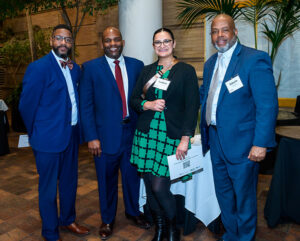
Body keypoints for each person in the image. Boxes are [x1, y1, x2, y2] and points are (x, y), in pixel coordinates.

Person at [200, 14, 278, 241]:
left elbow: (267, 105)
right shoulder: (210, 63)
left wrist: (260, 143)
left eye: (225, 30)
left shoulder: (255, 60)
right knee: (224, 195)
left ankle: (245, 238)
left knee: (244, 197)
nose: (220, 35)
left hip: (244, 145)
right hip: (215, 140)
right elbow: (206, 98)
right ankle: (232, 234)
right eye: (215, 31)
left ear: (235, 32)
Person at [19, 24, 90, 241]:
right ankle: (50, 231)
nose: (63, 43)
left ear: (71, 43)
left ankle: (67, 220)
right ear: (51, 41)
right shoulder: (38, 68)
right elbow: (26, 106)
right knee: (48, 189)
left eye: (67, 39)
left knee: (69, 183)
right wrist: (36, 133)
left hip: (71, 136)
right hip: (47, 140)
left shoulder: (75, 68)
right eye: (59, 38)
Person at [79, 26, 150, 240]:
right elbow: (86, 105)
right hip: (104, 136)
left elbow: (143, 98)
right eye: (108, 40)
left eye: (116, 40)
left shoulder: (137, 65)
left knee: (132, 177)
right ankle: (107, 219)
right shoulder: (90, 68)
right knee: (106, 179)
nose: (113, 44)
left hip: (132, 133)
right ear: (102, 44)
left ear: (123, 41)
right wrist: (91, 136)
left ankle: (133, 212)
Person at [130, 28, 200, 241]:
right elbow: (133, 100)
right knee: (150, 186)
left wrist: (185, 139)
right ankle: (160, 229)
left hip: (171, 137)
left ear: (174, 43)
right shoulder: (147, 70)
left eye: (166, 41)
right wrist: (147, 103)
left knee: (160, 187)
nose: (162, 45)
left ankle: (173, 230)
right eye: (158, 42)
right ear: (153, 46)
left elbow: (192, 106)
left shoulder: (186, 71)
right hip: (147, 135)